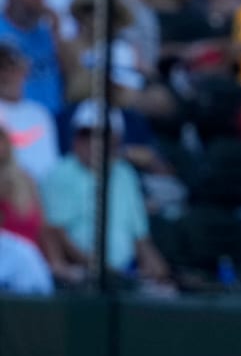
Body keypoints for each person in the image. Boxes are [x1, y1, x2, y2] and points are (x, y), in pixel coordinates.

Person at [39, 100, 172, 286]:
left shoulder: (125, 174)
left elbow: (140, 235)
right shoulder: (60, 174)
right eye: (85, 134)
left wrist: (160, 273)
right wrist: (102, 270)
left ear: (115, 140)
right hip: (80, 275)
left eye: (100, 135)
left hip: (126, 274)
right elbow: (55, 233)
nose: (91, 142)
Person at [0, 42, 59, 183]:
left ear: (24, 70)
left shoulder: (39, 113)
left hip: (42, 196)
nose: (5, 75)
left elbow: (51, 164)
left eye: (11, 67)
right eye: (1, 68)